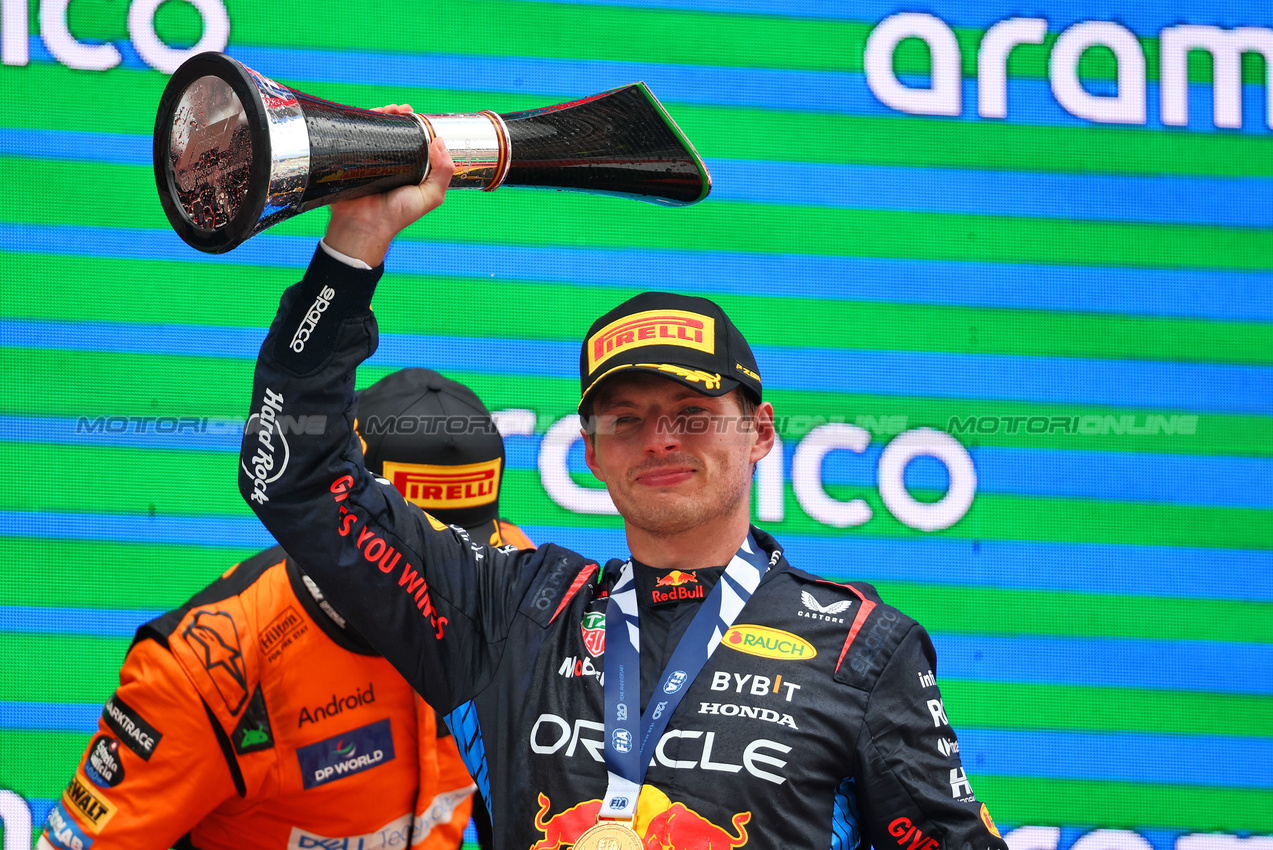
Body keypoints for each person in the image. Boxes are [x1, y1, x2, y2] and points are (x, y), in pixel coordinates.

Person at [234, 124, 1009, 850]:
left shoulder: (858, 649)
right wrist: (354, 244)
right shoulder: (513, 613)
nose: (661, 439)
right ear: (593, 454)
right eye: (626, 419)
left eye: (693, 414)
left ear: (762, 432)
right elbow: (292, 475)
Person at [40, 368, 531, 850]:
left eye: (462, 559)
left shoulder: (507, 592)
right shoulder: (207, 673)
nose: (446, 589)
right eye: (414, 558)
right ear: (344, 521)